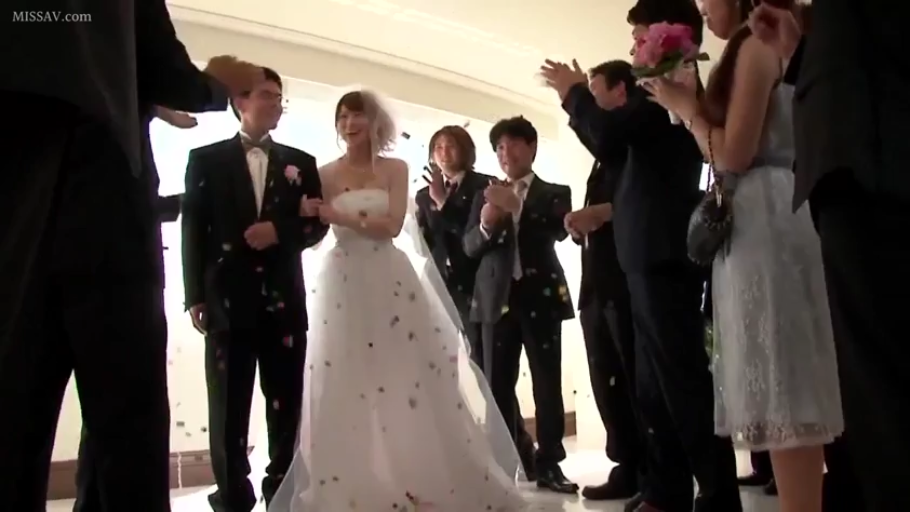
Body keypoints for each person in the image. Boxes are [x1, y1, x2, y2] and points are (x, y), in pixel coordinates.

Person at [0, 2, 259, 510]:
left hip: (11, 193)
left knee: (12, 411)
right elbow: (165, 70)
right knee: (126, 420)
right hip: (100, 188)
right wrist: (217, 84)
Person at [264, 89, 526, 511]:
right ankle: (353, 480)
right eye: (343, 117)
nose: (349, 124)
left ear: (375, 123)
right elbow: (313, 231)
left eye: (358, 116)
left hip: (389, 276)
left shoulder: (395, 168)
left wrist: (336, 214)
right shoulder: (324, 172)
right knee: (345, 379)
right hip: (342, 280)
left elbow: (389, 226)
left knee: (407, 377)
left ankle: (416, 476)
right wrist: (309, 216)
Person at [538, 1, 742, 509]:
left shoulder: (672, 87)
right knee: (652, 386)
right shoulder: (658, 89)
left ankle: (718, 494)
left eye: (639, 35)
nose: (633, 47)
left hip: (663, 251)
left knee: (682, 380)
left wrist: (573, 93)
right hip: (642, 252)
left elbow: (608, 137)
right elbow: (611, 145)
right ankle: (665, 490)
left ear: (669, 35)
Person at [644, 1, 844, 510]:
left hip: (767, 219)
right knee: (786, 387)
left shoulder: (756, 44)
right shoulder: (765, 42)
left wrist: (690, 110)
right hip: (768, 215)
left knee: (785, 388)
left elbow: (734, 153)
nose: (702, 7)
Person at [748, 3, 910, 511]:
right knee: (870, 387)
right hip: (854, 160)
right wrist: (801, 53)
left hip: (873, 164)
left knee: (882, 387)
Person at [74, 75, 238, 512]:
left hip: (103, 274)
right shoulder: (108, 130)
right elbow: (122, 205)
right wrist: (187, 202)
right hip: (113, 279)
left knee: (106, 414)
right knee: (123, 412)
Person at [181, 67, 328, 512]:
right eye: (267, 95)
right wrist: (195, 295)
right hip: (226, 300)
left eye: (280, 97)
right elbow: (194, 230)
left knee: (286, 403)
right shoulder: (205, 159)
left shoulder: (301, 163)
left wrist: (279, 231)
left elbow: (316, 225)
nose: (276, 104)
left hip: (285, 301)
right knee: (228, 404)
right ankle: (232, 495)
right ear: (239, 101)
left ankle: (281, 490)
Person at [414, 126, 538, 478]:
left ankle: (516, 448)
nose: (443, 152)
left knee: (488, 372)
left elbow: (475, 237)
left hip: (478, 289)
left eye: (450, 145)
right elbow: (428, 239)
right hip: (440, 286)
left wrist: (444, 203)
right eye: (437, 146)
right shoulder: (423, 194)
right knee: (441, 367)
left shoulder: (485, 185)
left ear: (465, 150)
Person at [463, 116, 578, 494]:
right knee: (496, 384)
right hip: (495, 300)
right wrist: (486, 223)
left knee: (547, 383)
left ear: (532, 148)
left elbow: (558, 231)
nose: (505, 152)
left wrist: (517, 209)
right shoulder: (484, 193)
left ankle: (550, 464)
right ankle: (505, 462)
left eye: (513, 144)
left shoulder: (554, 192)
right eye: (499, 147)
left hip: (541, 298)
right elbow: (469, 247)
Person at [564, 60, 644, 503]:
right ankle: (626, 463)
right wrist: (583, 224)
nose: (589, 101)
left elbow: (650, 198)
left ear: (621, 92)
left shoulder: (635, 141)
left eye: (594, 90)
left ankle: (648, 467)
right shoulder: (605, 154)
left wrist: (604, 214)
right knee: (605, 377)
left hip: (626, 278)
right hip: (596, 280)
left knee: (633, 376)